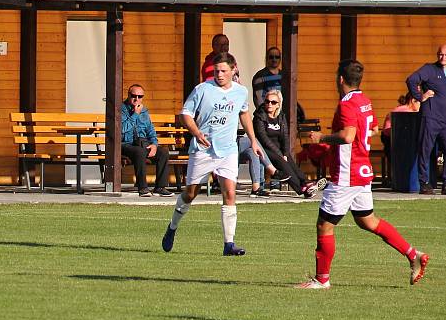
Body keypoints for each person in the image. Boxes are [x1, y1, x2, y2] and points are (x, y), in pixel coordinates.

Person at [295, 60, 429, 289]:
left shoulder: (347, 104)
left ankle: (321, 280)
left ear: (340, 79)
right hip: (362, 170)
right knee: (367, 220)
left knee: (324, 226)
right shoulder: (364, 101)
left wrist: (322, 138)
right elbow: (374, 129)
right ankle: (413, 253)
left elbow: (347, 136)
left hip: (346, 175)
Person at [162, 53, 263, 256]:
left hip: (227, 150)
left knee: (230, 193)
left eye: (224, 71)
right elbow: (185, 114)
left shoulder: (241, 92)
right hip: (203, 150)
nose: (219, 74)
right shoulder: (203, 89)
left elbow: (244, 113)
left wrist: (253, 140)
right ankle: (172, 227)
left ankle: (229, 244)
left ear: (234, 69)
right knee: (190, 194)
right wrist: (197, 133)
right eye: (216, 71)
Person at [406, 44, 446, 195]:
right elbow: (411, 80)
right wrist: (419, 97)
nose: (443, 58)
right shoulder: (429, 69)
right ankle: (425, 183)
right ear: (437, 55)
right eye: (441, 55)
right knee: (426, 150)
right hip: (431, 118)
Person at [253, 89, 326, 198]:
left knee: (290, 161)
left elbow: (285, 137)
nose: (269, 104)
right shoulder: (259, 116)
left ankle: (305, 183)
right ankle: (301, 188)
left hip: (278, 149)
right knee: (282, 162)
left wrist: (285, 153)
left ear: (278, 105)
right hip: (263, 148)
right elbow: (263, 139)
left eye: (273, 102)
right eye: (267, 101)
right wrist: (280, 155)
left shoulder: (281, 116)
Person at [120, 84, 172, 197]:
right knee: (140, 152)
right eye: (134, 96)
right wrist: (135, 114)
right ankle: (142, 187)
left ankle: (160, 187)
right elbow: (122, 130)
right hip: (125, 144)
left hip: (142, 143)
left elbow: (151, 130)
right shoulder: (121, 110)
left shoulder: (144, 111)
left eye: (140, 96)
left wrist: (154, 144)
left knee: (163, 152)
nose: (137, 99)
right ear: (128, 95)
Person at [380, 91, 420, 160]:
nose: (421, 105)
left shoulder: (401, 108)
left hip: (389, 142)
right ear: (413, 101)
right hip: (392, 144)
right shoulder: (407, 112)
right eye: (420, 102)